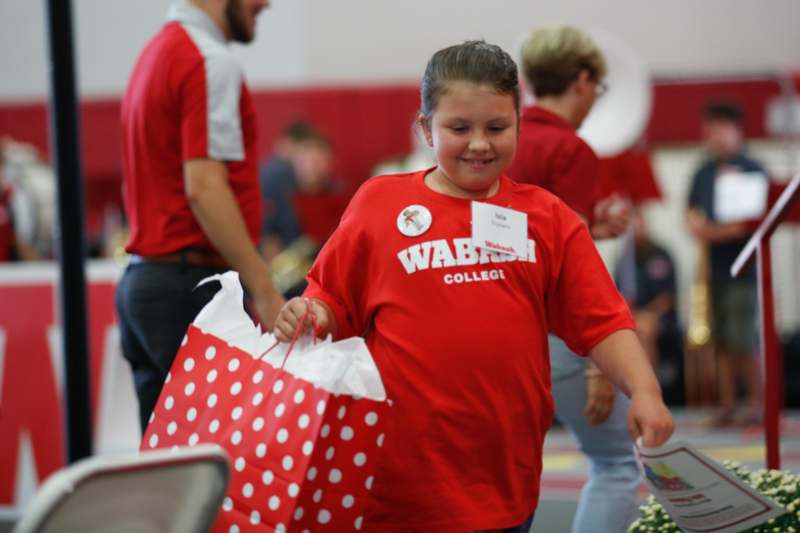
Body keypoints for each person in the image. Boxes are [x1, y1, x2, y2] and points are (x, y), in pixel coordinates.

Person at [274, 40, 674, 532]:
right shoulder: (378, 203)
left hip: (505, 482)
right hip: (398, 488)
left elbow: (602, 319)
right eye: (459, 128)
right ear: (425, 128)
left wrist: (646, 391)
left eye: (497, 128)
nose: (479, 144)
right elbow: (331, 297)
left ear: (519, 126)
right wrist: (310, 314)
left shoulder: (546, 218)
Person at [115, 0, 284, 432]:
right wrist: (262, 287)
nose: (266, 4)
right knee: (217, 464)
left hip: (146, 282)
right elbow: (205, 188)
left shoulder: (154, 54)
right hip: (186, 287)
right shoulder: (209, 62)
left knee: (167, 474)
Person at [505, 25, 640, 533]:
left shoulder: (504, 138)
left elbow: (527, 239)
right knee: (618, 465)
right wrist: (598, 363)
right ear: (583, 81)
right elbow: (573, 271)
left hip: (501, 326)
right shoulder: (570, 150)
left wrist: (590, 227)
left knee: (507, 476)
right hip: (556, 336)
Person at [686, 101, 766, 426]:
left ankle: (756, 403)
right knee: (717, 340)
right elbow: (692, 215)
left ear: (736, 130)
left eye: (717, 129)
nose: (711, 137)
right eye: (708, 131)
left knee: (743, 339)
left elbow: (748, 223)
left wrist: (713, 231)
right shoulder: (703, 171)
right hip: (711, 269)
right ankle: (727, 402)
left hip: (743, 269)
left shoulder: (752, 169)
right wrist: (707, 229)